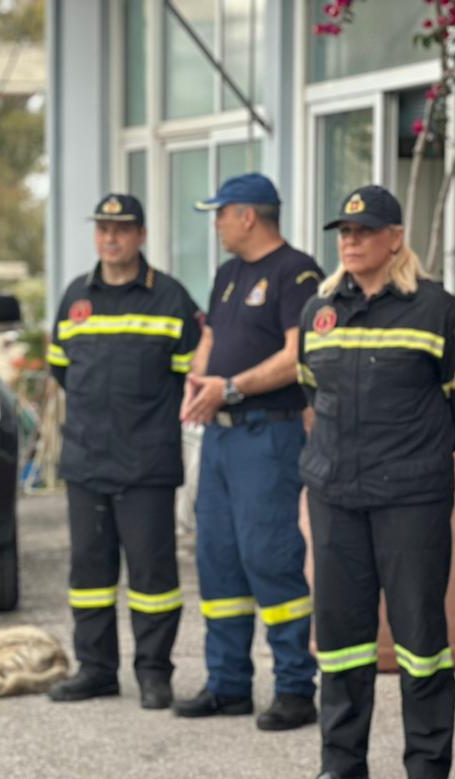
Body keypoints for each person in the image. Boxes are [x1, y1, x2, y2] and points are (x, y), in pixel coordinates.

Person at [297, 185, 455, 779]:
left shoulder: (436, 309)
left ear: (395, 238)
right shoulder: (317, 312)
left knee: (419, 637)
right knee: (343, 637)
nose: (349, 242)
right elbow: (310, 391)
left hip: (410, 497)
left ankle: (426, 771)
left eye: (362, 231)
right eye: (343, 233)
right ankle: (342, 766)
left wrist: (419, 455)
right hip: (336, 496)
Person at [172, 173, 322, 730]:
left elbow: (297, 355)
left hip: (267, 432)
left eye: (220, 212)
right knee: (217, 557)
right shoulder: (229, 273)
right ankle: (229, 683)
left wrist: (229, 387)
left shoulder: (296, 271)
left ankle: (293, 688)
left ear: (248, 216)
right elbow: (212, 338)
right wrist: (199, 377)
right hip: (221, 435)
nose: (215, 223)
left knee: (271, 556)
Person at [45, 193, 202, 709]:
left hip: (146, 464)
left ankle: (154, 673)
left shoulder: (170, 299)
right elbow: (62, 370)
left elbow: (188, 377)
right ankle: (96, 670)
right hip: (88, 460)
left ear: (141, 235)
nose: (110, 237)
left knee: (153, 578)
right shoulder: (75, 299)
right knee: (89, 576)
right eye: (103, 228)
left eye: (122, 228)